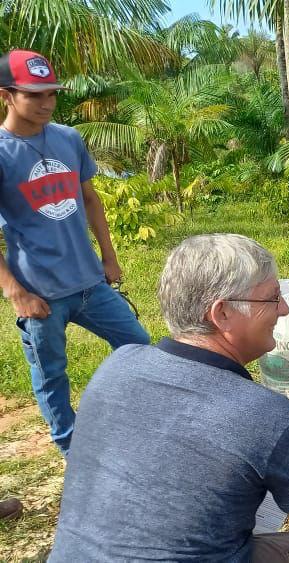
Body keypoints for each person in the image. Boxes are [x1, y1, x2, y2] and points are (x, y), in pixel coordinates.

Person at [49, 234, 289, 562]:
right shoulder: (269, 415)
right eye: (273, 298)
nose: (285, 308)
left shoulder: (117, 364)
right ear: (222, 314)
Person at [0, 50, 149, 455]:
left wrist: (110, 256)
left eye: (51, 94)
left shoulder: (68, 138)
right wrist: (16, 292)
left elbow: (90, 198)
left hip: (90, 282)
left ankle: (133, 420)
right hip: (41, 293)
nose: (46, 103)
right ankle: (72, 449)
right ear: (7, 96)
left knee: (139, 347)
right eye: (35, 95)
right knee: (51, 375)